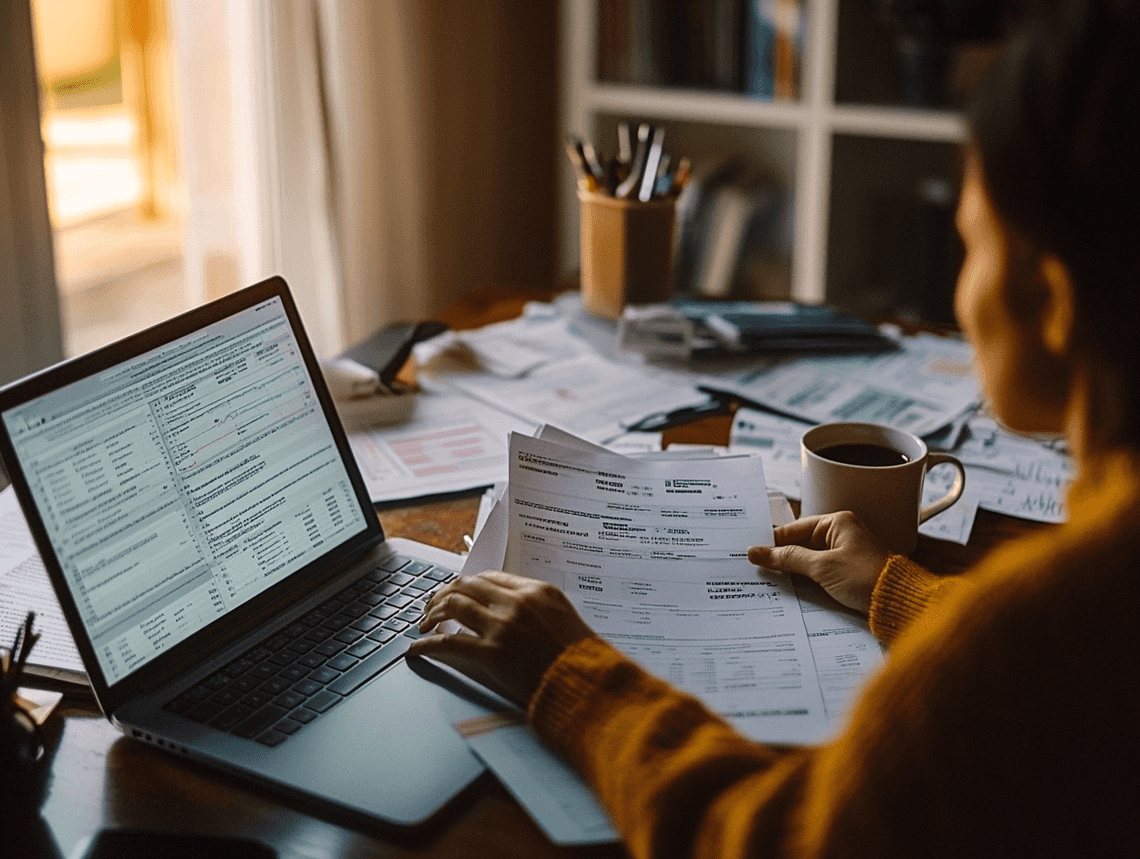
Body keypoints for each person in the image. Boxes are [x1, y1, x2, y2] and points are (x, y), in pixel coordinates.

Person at [407, 1, 1140, 855]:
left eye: (972, 245)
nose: (957, 296)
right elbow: (1068, 678)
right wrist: (895, 588)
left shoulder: (1007, 648)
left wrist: (569, 673)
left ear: (1050, 298)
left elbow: (762, 838)